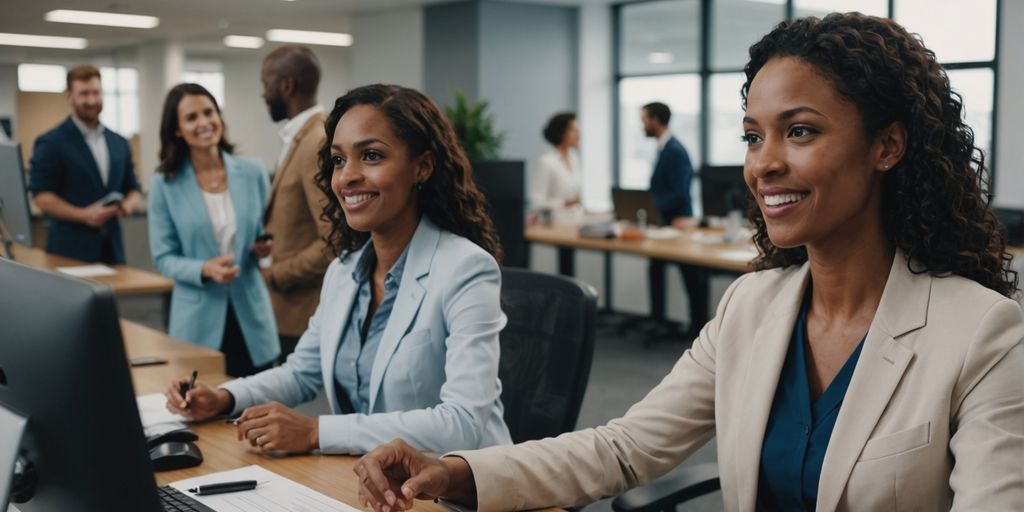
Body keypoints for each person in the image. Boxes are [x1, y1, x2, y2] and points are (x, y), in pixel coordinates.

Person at [354, 13, 1024, 511]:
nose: (764, 164)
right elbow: (624, 447)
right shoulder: (751, 307)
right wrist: (457, 471)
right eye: (753, 136)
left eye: (801, 131)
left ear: (887, 146)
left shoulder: (983, 336)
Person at [163, 84, 512, 456]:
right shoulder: (344, 272)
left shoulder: (466, 270)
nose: (347, 177)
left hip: (457, 490)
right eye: (339, 160)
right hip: (374, 483)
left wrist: (316, 432)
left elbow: (460, 424)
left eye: (372, 156)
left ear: (421, 167)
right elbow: (301, 372)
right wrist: (223, 397)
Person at [149, 83, 280, 377]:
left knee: (257, 410)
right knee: (203, 412)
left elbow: (264, 236)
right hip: (197, 320)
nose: (204, 122)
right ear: (177, 130)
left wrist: (264, 251)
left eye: (209, 112)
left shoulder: (253, 171)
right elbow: (163, 257)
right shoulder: (164, 183)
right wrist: (204, 269)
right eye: (192, 117)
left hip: (251, 315)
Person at [259, 44, 334, 362]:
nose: (263, 94)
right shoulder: (298, 137)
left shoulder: (316, 141)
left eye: (265, 84)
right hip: (283, 311)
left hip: (299, 310)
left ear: (286, 85)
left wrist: (275, 274)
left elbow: (334, 238)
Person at [28, 65, 142, 264]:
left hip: (112, 251)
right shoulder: (51, 142)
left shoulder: (119, 143)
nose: (91, 100)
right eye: (84, 94)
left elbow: (133, 188)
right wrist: (84, 215)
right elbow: (41, 196)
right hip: (69, 251)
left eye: (96, 93)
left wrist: (128, 204)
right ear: (69, 96)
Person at [642, 102, 708, 337]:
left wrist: (651, 207)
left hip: (679, 224)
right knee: (655, 268)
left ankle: (697, 330)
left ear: (656, 120)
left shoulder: (675, 150)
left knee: (691, 278)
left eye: (645, 119)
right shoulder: (663, 148)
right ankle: (657, 320)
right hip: (663, 225)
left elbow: (680, 192)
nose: (642, 125)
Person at [531, 112, 581, 213]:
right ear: (561, 133)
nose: (578, 134)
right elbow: (537, 203)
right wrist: (564, 203)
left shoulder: (574, 159)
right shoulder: (546, 162)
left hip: (576, 221)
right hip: (556, 224)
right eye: (573, 130)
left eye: (577, 130)